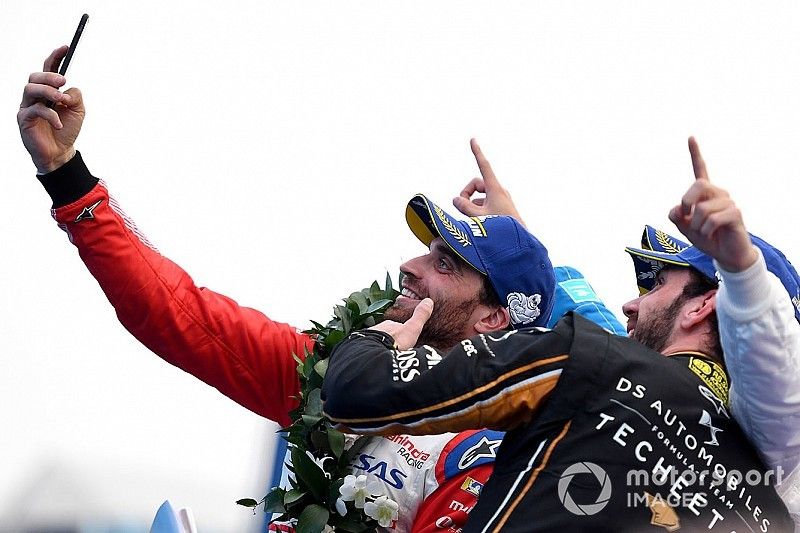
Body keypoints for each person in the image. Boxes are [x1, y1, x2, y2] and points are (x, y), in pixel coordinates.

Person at [18, 45, 623, 532]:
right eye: (426, 248)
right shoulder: (337, 373)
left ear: (493, 318)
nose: (411, 265)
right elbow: (177, 314)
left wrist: (531, 254)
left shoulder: (510, 450)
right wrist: (66, 176)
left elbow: (621, 370)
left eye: (446, 263)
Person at [321, 138, 797, 532]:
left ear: (702, 305)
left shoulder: (593, 364)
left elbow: (356, 392)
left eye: (655, 284)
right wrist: (516, 244)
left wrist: (377, 342)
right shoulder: (775, 504)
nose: (630, 303)